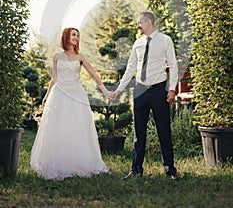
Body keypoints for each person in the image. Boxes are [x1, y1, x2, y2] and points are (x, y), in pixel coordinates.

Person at [30, 27, 112, 180]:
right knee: (58, 127)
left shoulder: (80, 57)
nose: (76, 37)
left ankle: (77, 162)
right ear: (66, 36)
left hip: (75, 94)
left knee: (76, 127)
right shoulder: (56, 57)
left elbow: (93, 75)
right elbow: (54, 79)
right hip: (59, 94)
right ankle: (57, 162)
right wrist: (46, 96)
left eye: (77, 35)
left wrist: (106, 92)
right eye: (73, 34)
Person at [112, 12, 178, 180]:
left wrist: (172, 89)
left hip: (158, 91)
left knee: (164, 130)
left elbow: (173, 65)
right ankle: (136, 169)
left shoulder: (165, 40)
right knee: (138, 132)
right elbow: (130, 68)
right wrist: (119, 90)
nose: (137, 26)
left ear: (149, 22)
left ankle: (170, 170)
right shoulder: (137, 44)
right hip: (140, 91)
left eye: (139, 22)